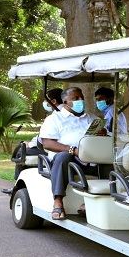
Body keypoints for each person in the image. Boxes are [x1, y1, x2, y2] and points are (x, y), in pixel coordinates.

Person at [39, 87, 100, 220]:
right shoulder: (54, 119)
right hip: (68, 159)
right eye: (76, 98)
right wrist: (73, 150)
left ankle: (92, 203)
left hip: (91, 158)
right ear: (65, 101)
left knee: (109, 160)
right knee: (63, 157)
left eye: (81, 97)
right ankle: (58, 201)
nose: (81, 101)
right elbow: (47, 143)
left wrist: (103, 134)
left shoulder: (91, 118)